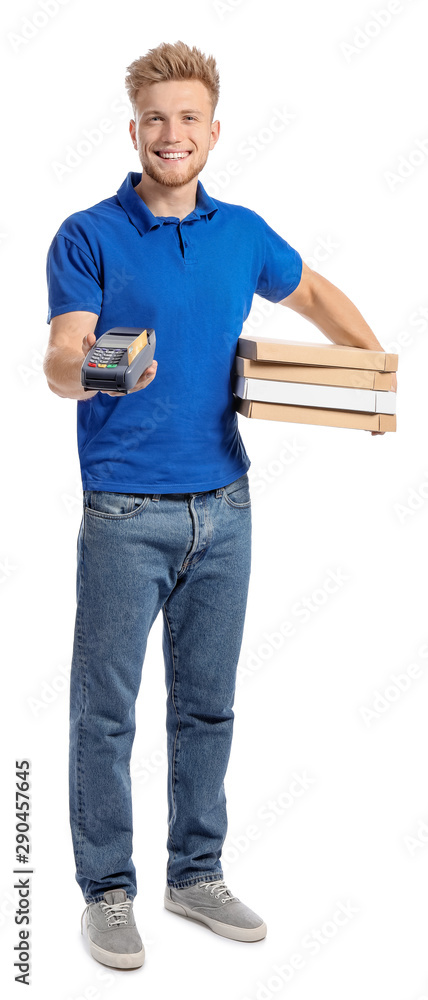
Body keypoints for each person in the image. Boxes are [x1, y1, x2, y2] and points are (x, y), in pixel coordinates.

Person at [43, 40, 397, 971]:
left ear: (212, 130)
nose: (172, 134)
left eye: (188, 118)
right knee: (105, 714)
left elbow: (312, 291)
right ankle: (107, 892)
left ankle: (194, 873)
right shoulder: (88, 234)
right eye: (155, 118)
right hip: (123, 513)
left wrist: (374, 379)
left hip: (226, 510)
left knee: (208, 708)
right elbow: (60, 355)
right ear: (133, 129)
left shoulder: (241, 232)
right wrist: (103, 366)